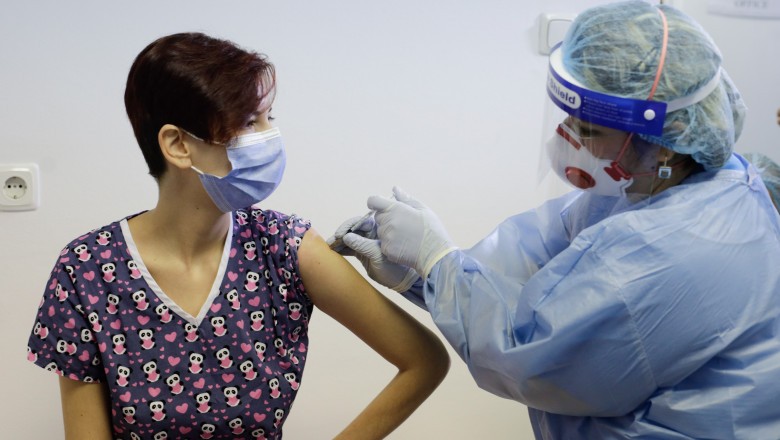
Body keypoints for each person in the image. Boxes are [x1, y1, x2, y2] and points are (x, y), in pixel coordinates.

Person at [330, 2, 780, 439]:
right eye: (570, 118)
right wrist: (423, 274)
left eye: (589, 129)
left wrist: (437, 262)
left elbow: (533, 355)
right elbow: (529, 267)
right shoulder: (652, 186)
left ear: (663, 138)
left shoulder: (677, 247)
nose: (569, 139)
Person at [26, 32, 449, 440]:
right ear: (177, 144)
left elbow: (425, 361)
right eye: (248, 122)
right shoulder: (86, 270)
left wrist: (436, 269)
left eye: (269, 118)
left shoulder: (285, 247)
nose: (268, 137)